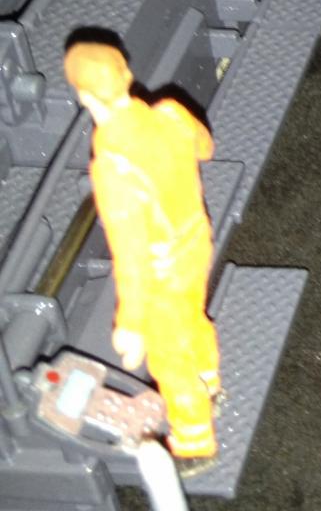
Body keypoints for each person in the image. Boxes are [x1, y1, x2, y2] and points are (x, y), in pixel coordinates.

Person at [64, 42, 221, 464]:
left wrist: (130, 324)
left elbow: (130, 252)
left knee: (168, 361)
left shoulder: (113, 165)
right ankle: (209, 378)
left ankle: (194, 441)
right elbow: (205, 147)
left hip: (161, 269)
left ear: (85, 95)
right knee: (193, 316)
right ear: (127, 75)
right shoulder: (170, 112)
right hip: (195, 241)